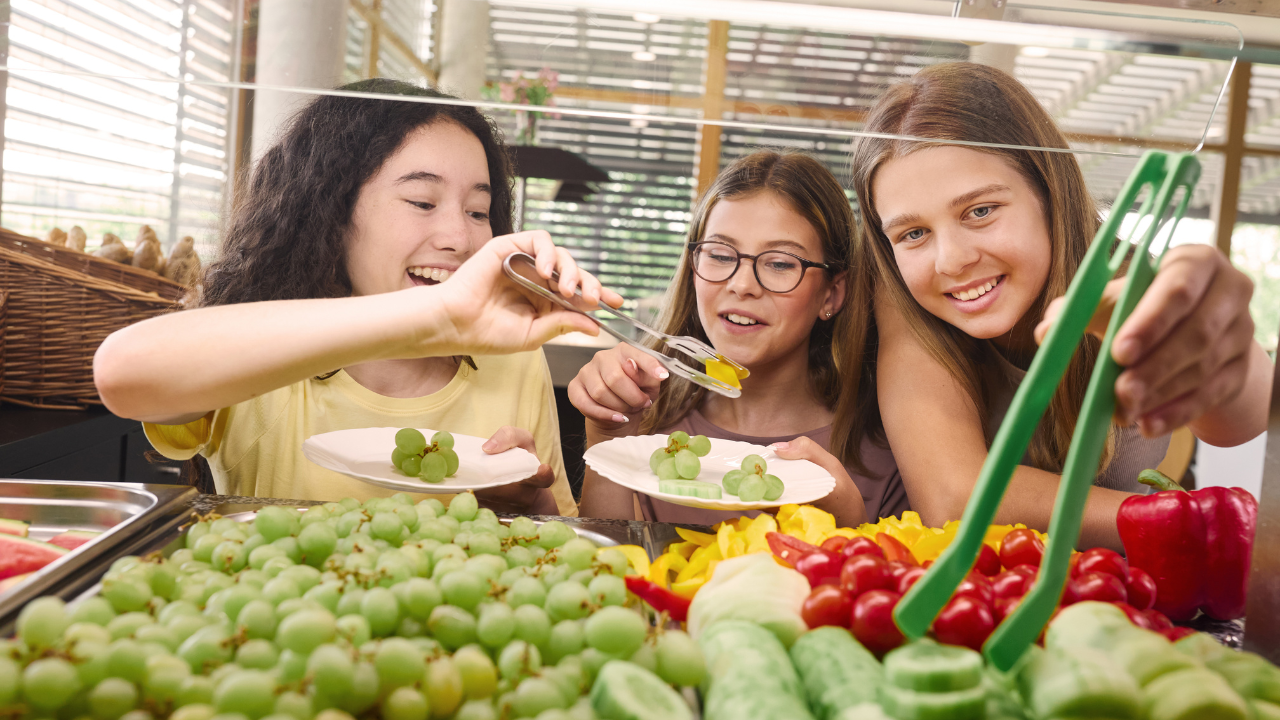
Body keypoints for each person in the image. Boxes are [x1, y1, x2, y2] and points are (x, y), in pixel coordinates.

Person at [93, 79, 621, 515]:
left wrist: (531, 509)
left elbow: (556, 539)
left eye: (479, 211)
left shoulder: (515, 362)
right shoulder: (263, 347)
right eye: (421, 200)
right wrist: (430, 316)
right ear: (331, 212)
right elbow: (121, 371)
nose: (460, 238)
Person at [851, 62, 1271, 549]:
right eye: (914, 233)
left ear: (1048, 192)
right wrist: (1176, 520)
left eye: (980, 211)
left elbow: (1242, 419)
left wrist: (1220, 341)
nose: (952, 260)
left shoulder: (1125, 279)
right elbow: (955, 498)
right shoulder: (904, 300)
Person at [570, 150, 907, 528]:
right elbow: (608, 566)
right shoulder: (648, 425)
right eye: (719, 254)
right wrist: (608, 436)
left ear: (832, 294)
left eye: (780, 263)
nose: (741, 285)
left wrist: (848, 525)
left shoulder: (890, 453)